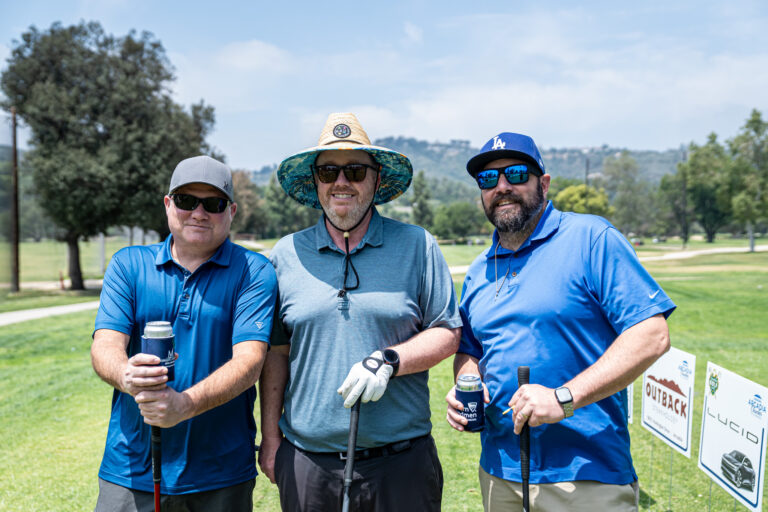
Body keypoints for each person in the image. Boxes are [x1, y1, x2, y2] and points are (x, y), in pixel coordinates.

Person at [445, 132, 676, 511]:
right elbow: (470, 350)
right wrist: (464, 385)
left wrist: (563, 398)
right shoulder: (479, 271)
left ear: (544, 183)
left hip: (585, 475)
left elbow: (651, 334)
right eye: (488, 179)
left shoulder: (591, 238)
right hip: (498, 473)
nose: (502, 187)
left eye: (516, 174)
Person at [258, 112, 461, 511]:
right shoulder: (285, 254)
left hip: (401, 464)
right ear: (315, 181)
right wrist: (270, 439)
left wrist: (391, 359)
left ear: (376, 179)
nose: (341, 182)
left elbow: (447, 332)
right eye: (328, 171)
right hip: (307, 464)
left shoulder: (418, 245)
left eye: (355, 170)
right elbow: (276, 354)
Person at [91, 155, 277, 512]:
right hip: (131, 470)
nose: (199, 213)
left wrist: (184, 405)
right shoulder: (128, 265)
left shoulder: (253, 271)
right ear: (168, 204)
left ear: (232, 211)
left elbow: (251, 361)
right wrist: (127, 375)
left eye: (214, 204)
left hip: (220, 472)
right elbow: (106, 347)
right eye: (187, 201)